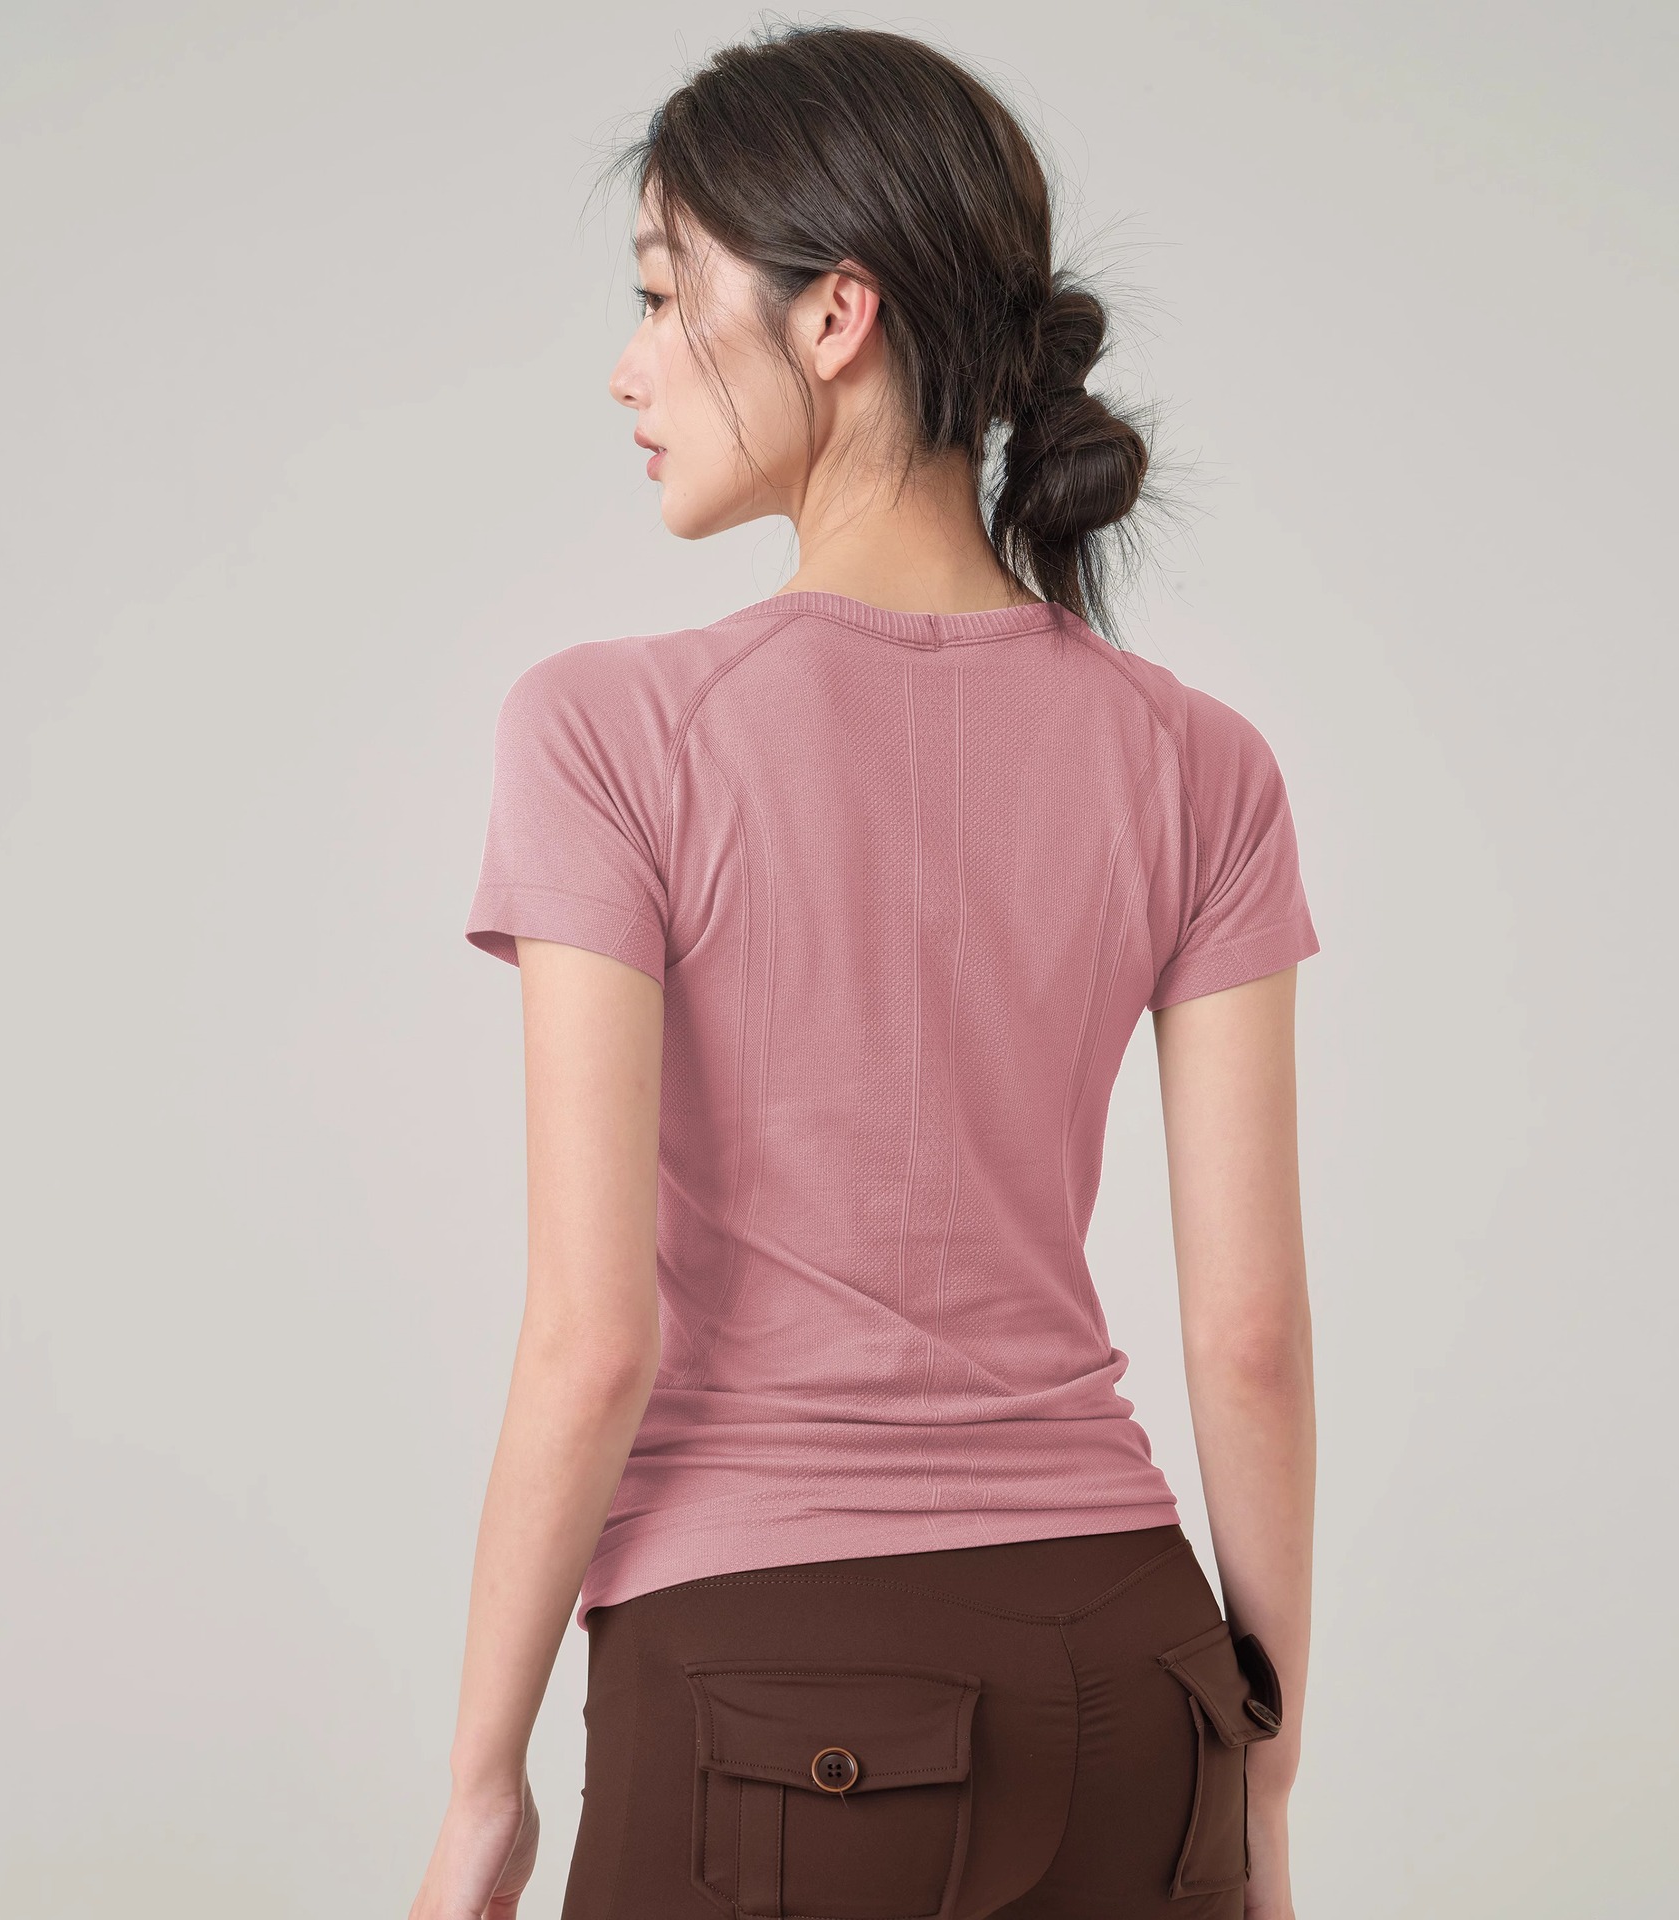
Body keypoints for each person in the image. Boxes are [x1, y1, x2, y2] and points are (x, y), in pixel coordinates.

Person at [408, 24, 1319, 1920]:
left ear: (837, 315)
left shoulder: (610, 733)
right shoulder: (1199, 759)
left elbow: (592, 1341)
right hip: (1142, 1668)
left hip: (769, 1697)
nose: (629, 365)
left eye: (660, 294)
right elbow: (1249, 1338)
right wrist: (1265, 1773)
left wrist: (484, 1786)